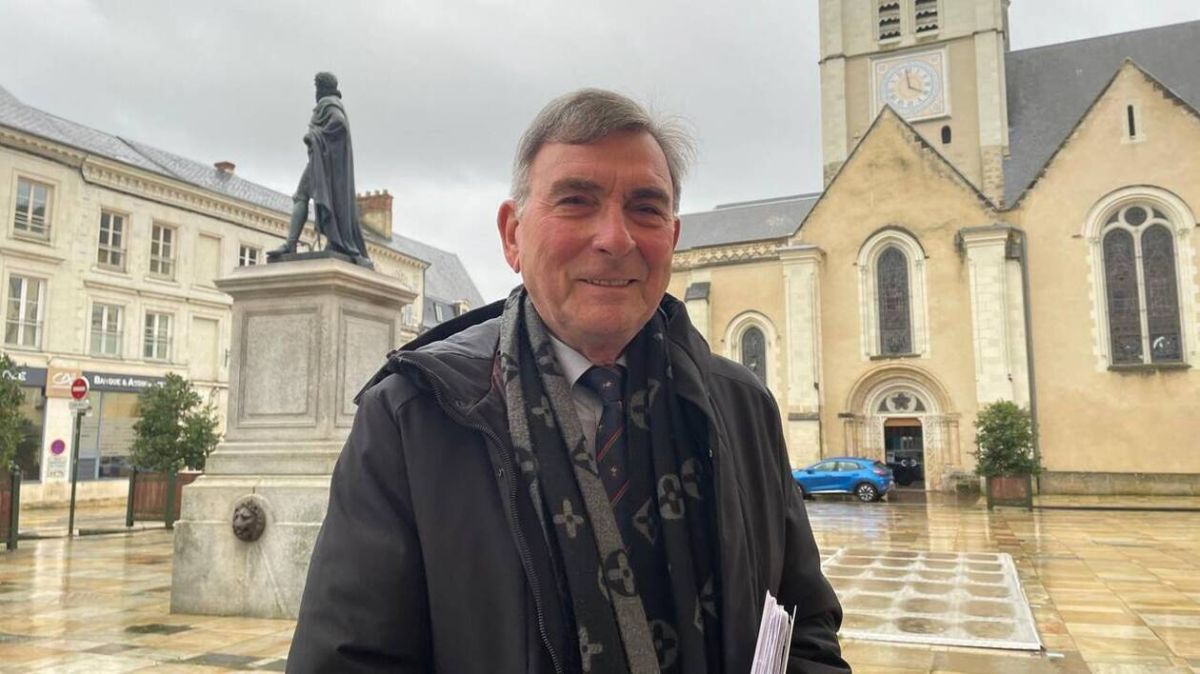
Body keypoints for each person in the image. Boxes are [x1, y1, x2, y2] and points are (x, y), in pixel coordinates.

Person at [289, 89, 847, 673]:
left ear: (673, 238)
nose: (616, 238)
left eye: (646, 208)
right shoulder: (413, 416)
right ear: (512, 235)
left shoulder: (742, 407)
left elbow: (802, 625)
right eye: (577, 201)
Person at [268, 71, 370, 266]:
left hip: (322, 163)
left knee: (301, 196)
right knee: (305, 197)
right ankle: (325, 242)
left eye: (316, 87)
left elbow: (339, 123)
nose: (315, 92)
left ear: (322, 88)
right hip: (325, 162)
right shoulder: (334, 103)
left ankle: (291, 244)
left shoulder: (328, 103)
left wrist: (316, 136)